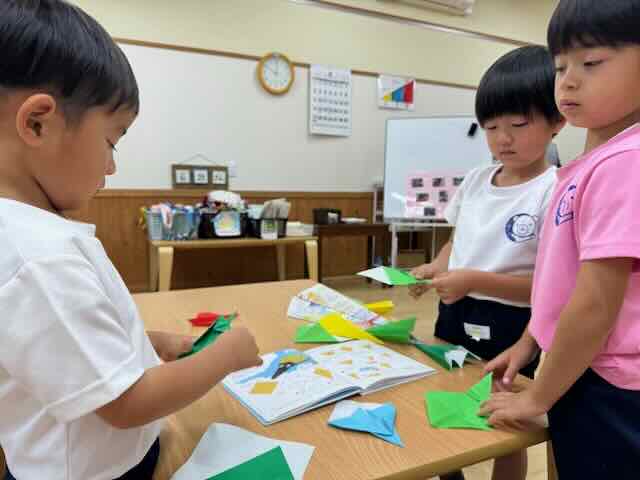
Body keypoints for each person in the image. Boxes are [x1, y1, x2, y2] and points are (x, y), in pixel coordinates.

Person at [0, 1, 262, 478]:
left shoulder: (26, 236)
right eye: (112, 140)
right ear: (37, 122)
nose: (111, 166)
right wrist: (227, 355)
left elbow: (61, 347)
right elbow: (126, 405)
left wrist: (147, 341)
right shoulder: (38, 258)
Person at [481, 1, 640, 478]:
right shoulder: (590, 163)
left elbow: (594, 304)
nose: (568, 81)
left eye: (591, 64)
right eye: (560, 66)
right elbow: (565, 283)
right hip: (584, 368)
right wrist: (531, 342)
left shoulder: (625, 163)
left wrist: (537, 396)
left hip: (613, 386)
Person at [410, 45, 565, 480]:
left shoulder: (554, 189)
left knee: (504, 422)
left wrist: (471, 279)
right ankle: (450, 472)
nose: (503, 138)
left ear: (557, 121)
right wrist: (435, 269)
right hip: (455, 311)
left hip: (514, 323)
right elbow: (457, 241)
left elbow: (549, 285)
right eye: (491, 127)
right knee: (444, 395)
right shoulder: (478, 178)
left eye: (518, 124)